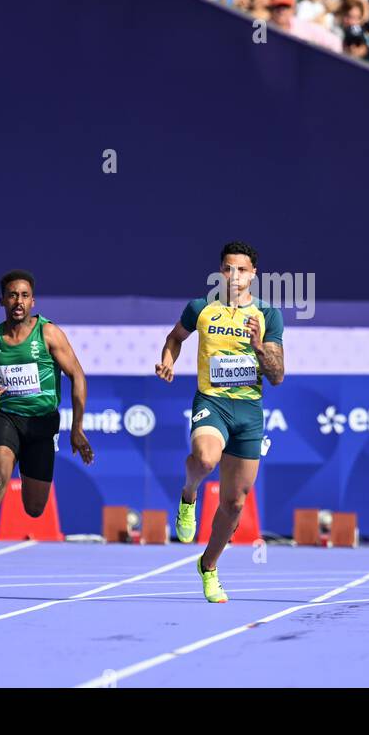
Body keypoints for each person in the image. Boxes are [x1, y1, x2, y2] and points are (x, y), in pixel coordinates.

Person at [0, 271, 94, 598]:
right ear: (2, 300)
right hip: (8, 418)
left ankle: (31, 482)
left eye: (25, 295)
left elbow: (78, 376)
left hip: (43, 424)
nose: (19, 301)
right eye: (12, 295)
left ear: (33, 300)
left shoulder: (49, 334)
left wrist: (77, 429)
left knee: (34, 507)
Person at [157, 242, 284, 603]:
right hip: (211, 402)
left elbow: (277, 376)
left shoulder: (268, 316)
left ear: (254, 274)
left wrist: (259, 347)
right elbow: (175, 338)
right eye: (228, 269)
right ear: (220, 271)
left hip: (248, 412)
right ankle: (188, 495)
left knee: (235, 504)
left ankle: (208, 567)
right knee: (205, 459)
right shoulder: (201, 308)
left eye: (242, 270)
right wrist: (168, 360)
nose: (234, 276)